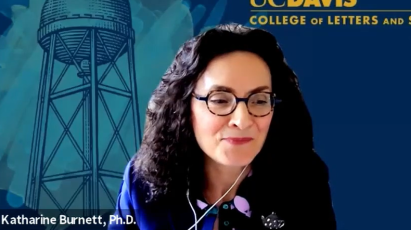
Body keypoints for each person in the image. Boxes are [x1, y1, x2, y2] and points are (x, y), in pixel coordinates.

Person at [110, 24, 336, 229]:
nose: (243, 120)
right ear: (183, 107)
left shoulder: (305, 181)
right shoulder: (141, 180)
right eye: (219, 100)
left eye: (259, 100)